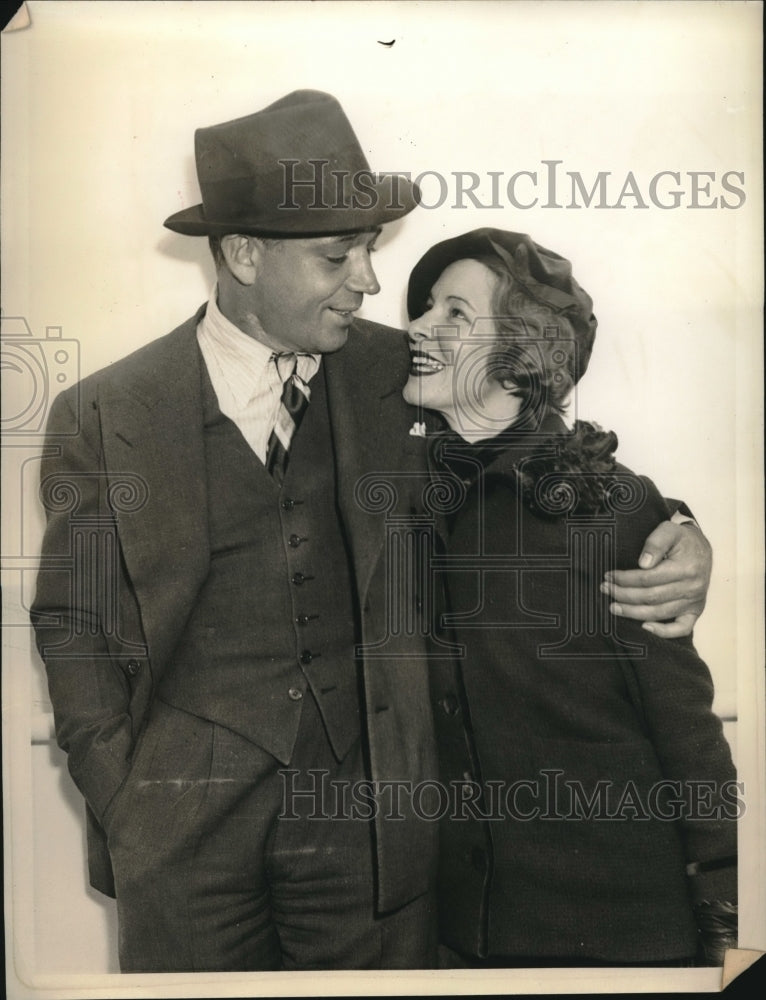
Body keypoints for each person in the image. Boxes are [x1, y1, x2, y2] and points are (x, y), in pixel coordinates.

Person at [30, 92, 712, 973]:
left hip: (371, 840)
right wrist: (122, 794)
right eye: (336, 255)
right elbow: (73, 619)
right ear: (241, 255)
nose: (371, 282)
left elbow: (544, 435)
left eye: (368, 250)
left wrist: (679, 531)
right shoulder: (105, 412)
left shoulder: (399, 367)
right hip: (177, 836)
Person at [401, 228, 738, 968]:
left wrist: (728, 927)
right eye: (425, 308)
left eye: (455, 313)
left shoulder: (610, 508)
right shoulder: (409, 494)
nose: (418, 327)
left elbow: (688, 739)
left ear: (522, 355)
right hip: (460, 942)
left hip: (620, 939)